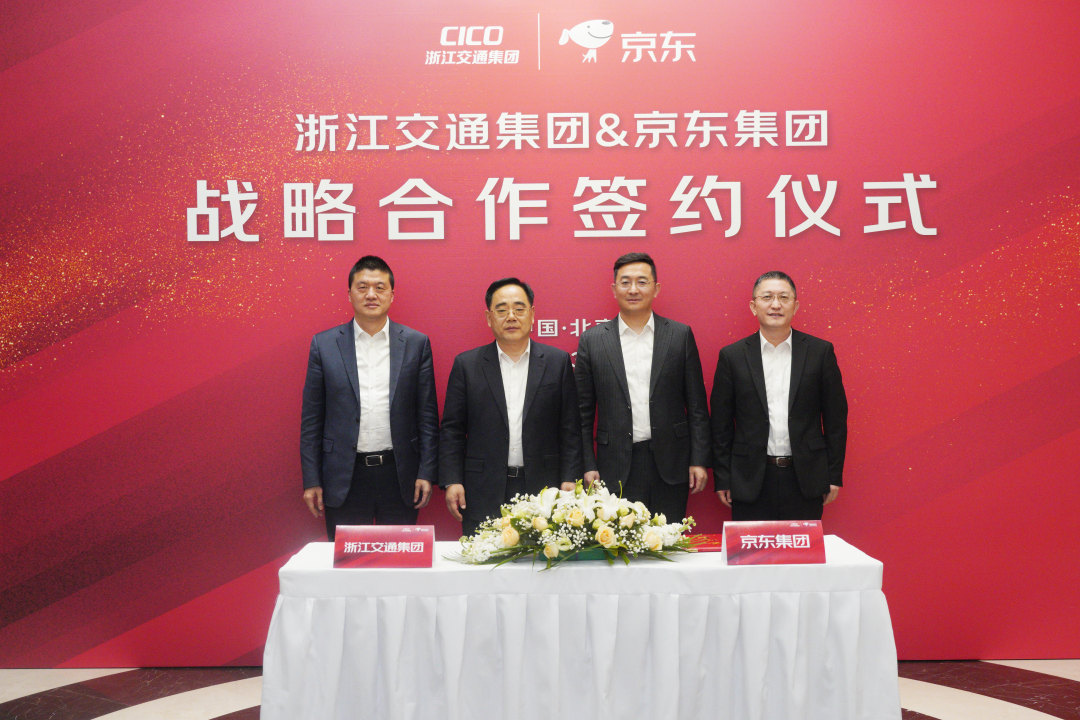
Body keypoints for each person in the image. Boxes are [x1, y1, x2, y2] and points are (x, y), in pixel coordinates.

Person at [300, 255, 439, 540]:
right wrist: (312, 479)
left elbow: (427, 416)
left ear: (392, 294)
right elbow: (312, 420)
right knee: (349, 563)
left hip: (399, 475)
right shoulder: (324, 344)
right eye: (362, 287)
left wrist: (426, 472)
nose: (371, 294)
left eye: (379, 287)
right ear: (349, 293)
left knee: (399, 560)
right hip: (344, 476)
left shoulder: (416, 343)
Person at [440, 278, 584, 537]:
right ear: (489, 318)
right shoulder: (467, 365)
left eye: (519, 309)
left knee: (543, 559)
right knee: (484, 558)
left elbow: (570, 428)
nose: (511, 317)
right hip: (482, 488)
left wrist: (570, 477)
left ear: (532, 314)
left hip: (544, 489)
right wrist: (452, 479)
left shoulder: (557, 362)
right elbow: (452, 430)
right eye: (502, 309)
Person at [574, 252, 710, 524]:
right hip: (615, 464)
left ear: (656, 288)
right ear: (614, 289)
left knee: (669, 540)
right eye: (625, 282)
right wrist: (588, 464)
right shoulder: (592, 340)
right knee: (620, 545)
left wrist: (699, 459)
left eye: (642, 282)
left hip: (672, 462)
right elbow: (582, 414)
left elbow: (696, 405)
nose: (633, 289)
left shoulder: (679, 335)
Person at [711, 271, 848, 521]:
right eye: (767, 297)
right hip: (749, 478)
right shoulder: (732, 356)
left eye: (784, 297)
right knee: (753, 547)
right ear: (754, 306)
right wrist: (723, 477)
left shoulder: (820, 352)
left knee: (800, 547)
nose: (776, 304)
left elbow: (836, 420)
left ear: (795, 306)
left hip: (806, 477)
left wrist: (832, 474)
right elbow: (721, 425)